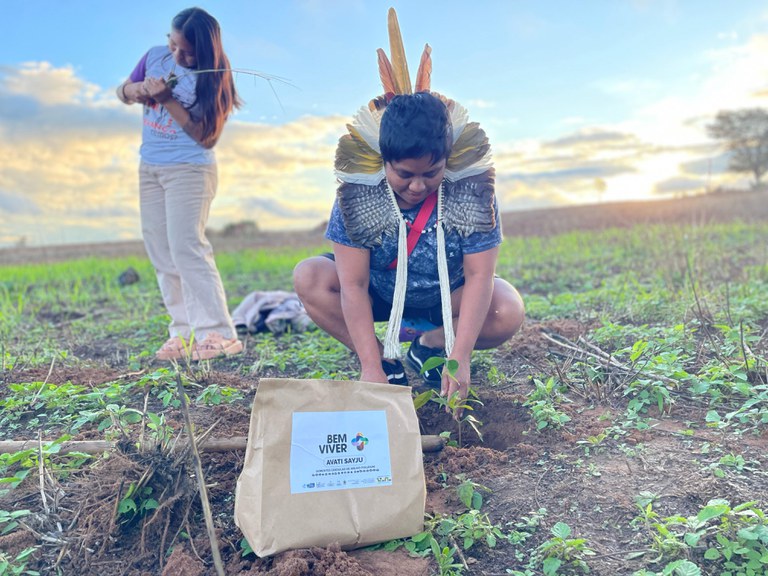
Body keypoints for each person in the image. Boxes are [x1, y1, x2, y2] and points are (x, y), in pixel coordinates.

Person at [293, 9, 524, 409]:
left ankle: (429, 346)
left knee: (507, 309)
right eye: (404, 174)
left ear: (447, 160)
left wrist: (460, 357)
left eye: (431, 173)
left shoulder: (472, 190)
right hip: (380, 293)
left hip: (446, 295)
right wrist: (370, 366)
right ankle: (385, 361)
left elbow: (479, 275)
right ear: (384, 161)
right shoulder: (358, 194)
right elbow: (353, 285)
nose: (417, 186)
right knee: (310, 276)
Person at [117, 7, 243, 361]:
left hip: (189, 170)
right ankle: (184, 332)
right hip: (150, 166)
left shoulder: (215, 75)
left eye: (187, 52)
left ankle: (219, 332)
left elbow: (206, 137)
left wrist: (167, 100)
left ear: (206, 49)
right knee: (161, 250)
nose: (178, 56)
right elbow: (122, 92)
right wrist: (137, 89)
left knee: (187, 248)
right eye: (173, 45)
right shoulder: (154, 57)